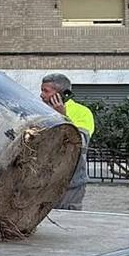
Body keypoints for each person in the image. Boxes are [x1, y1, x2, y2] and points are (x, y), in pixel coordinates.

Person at [40, 73, 95, 210]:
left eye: (46, 91)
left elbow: (80, 142)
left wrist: (62, 117)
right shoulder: (41, 112)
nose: (41, 95)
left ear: (63, 94)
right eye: (41, 90)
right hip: (44, 183)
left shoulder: (82, 112)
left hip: (70, 185)